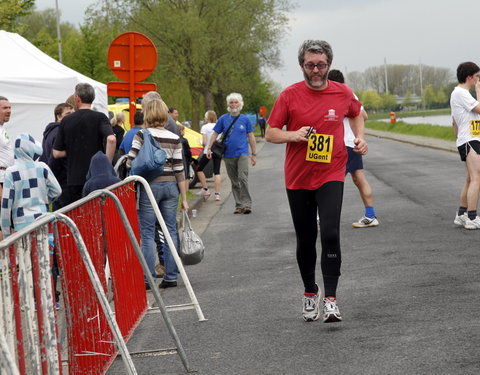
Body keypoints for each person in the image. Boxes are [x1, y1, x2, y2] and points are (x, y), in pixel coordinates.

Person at [265, 40, 367, 323]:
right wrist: (294, 135)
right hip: (298, 177)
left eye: (321, 65)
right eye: (310, 65)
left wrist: (359, 137)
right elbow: (270, 133)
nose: (316, 70)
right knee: (306, 238)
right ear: (302, 66)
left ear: (329, 65)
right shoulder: (289, 95)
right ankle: (310, 292)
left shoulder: (342, 92)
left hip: (331, 172)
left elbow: (356, 112)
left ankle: (331, 299)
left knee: (331, 233)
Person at [126, 98, 189, 289]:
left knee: (147, 232)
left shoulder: (142, 135)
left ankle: (148, 279)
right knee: (170, 230)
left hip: (149, 186)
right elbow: (180, 169)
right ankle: (171, 276)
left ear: (147, 114)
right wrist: (185, 198)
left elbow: (130, 162)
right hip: (171, 187)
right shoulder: (174, 137)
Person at [327, 69, 379, 228]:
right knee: (359, 179)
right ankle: (370, 215)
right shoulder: (351, 94)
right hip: (353, 142)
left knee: (328, 183)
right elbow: (364, 115)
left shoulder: (331, 96)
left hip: (338, 145)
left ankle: (322, 218)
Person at [52, 83, 116, 205]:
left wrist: (72, 150)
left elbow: (56, 153)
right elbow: (111, 139)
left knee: (78, 217)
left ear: (77, 99)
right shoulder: (100, 117)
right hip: (96, 176)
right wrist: (106, 162)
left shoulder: (66, 120)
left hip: (74, 179)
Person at [1, 133, 62, 237]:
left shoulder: (11, 172)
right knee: (45, 251)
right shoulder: (42, 167)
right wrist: (44, 201)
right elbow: (57, 191)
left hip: (21, 226)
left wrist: (6, 232)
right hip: (43, 220)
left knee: (26, 253)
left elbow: (6, 204)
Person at [206, 93, 257, 214]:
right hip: (228, 154)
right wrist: (209, 148)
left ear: (240, 104)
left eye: (236, 102)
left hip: (242, 153)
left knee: (242, 178)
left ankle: (247, 204)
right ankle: (239, 205)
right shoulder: (223, 119)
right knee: (234, 181)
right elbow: (215, 134)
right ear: (228, 104)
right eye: (231, 102)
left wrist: (253, 154)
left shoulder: (245, 119)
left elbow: (251, 136)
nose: (233, 104)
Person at [451, 61, 480, 229]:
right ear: (469, 77)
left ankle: (462, 214)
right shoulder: (461, 93)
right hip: (470, 140)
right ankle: (472, 218)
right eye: (476, 77)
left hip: (468, 139)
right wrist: (478, 91)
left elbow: (454, 121)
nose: (477, 79)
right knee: (476, 179)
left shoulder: (459, 94)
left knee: (470, 179)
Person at [40, 102, 74, 210]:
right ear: (58, 116)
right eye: (68, 113)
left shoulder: (49, 133)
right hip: (64, 183)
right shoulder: (60, 132)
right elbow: (54, 159)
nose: (72, 116)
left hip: (56, 183)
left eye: (73, 113)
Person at [197, 110, 222, 200]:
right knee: (217, 172)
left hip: (207, 151)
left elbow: (204, 142)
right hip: (217, 151)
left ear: (207, 117)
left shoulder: (204, 127)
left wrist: (202, 144)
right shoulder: (218, 126)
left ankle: (205, 189)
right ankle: (217, 194)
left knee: (199, 168)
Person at [0, 96, 14, 196]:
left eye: (9, 108)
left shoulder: (2, 129)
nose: (8, 111)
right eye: (4, 108)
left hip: (6, 177)